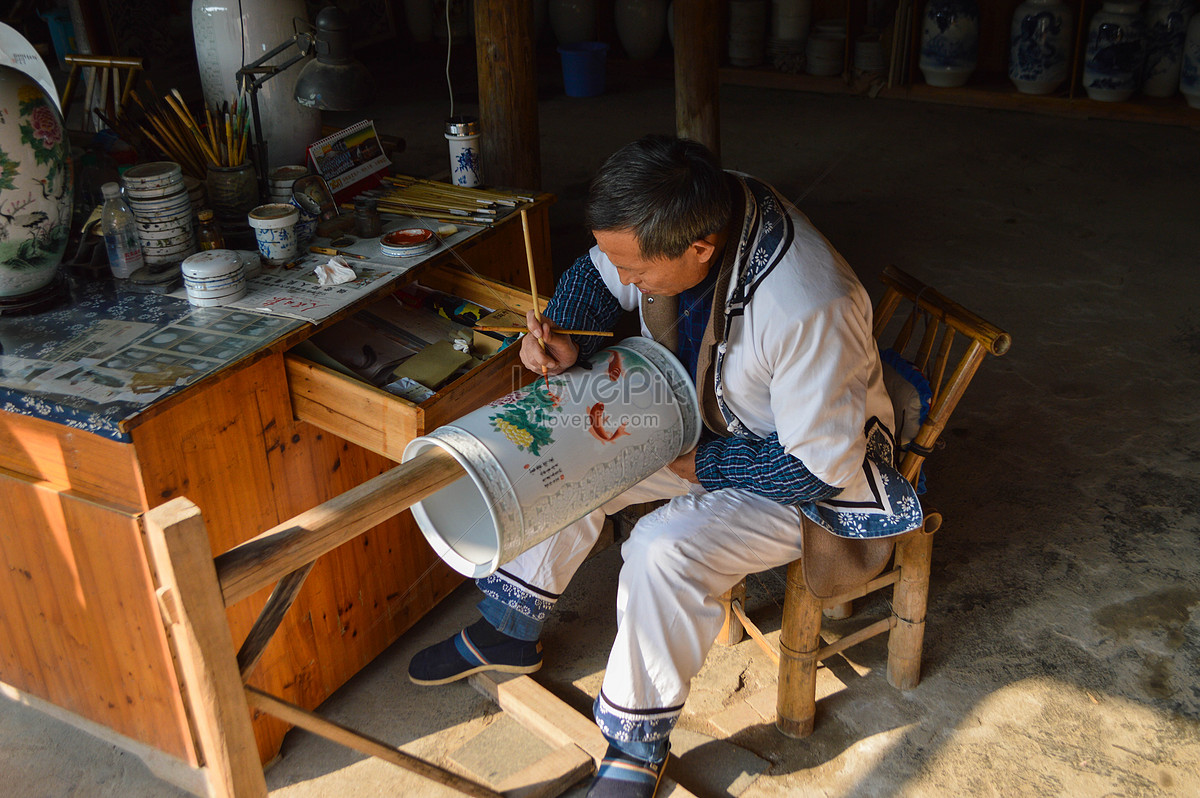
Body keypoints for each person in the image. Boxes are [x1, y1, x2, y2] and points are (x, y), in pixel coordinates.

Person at [409, 135, 922, 798]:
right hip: (696, 414)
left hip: (798, 470)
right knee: (568, 456)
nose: (627, 282)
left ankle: (634, 747)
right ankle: (510, 628)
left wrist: (702, 463)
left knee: (662, 551)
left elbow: (817, 469)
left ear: (699, 250)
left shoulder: (809, 306)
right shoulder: (683, 208)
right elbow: (597, 275)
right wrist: (566, 329)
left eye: (640, 274)